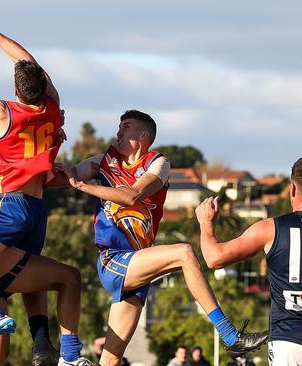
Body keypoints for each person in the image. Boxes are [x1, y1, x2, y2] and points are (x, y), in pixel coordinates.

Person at [54, 110, 268, 366]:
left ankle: (230, 337)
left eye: (126, 126)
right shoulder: (100, 162)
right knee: (184, 253)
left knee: (110, 361)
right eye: (119, 126)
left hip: (137, 267)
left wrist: (81, 186)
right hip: (114, 260)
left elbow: (133, 196)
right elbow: (59, 178)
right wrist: (52, 140)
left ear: (143, 136)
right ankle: (230, 335)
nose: (118, 131)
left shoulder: (159, 164)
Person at [0, 19, 90, 366]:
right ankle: (67, 356)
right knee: (32, 281)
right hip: (39, 211)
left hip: (11, 205)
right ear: (43, 84)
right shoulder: (53, 106)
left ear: (15, 89)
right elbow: (31, 64)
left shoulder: (5, 113)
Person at [196, 158, 302, 365]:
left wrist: (206, 223)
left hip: (288, 341)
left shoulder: (270, 229)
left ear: (292, 189)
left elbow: (213, 258)